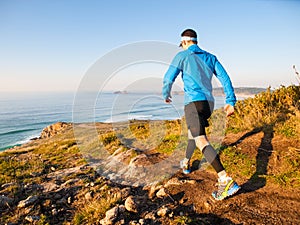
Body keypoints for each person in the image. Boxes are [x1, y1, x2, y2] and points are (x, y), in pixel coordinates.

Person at [162, 28, 240, 200]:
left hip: (193, 103)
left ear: (184, 42)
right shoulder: (211, 57)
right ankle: (186, 162)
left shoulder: (181, 56)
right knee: (194, 133)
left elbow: (168, 78)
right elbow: (225, 79)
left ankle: (224, 178)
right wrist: (231, 101)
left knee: (200, 139)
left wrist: (166, 93)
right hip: (208, 104)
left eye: (181, 44)